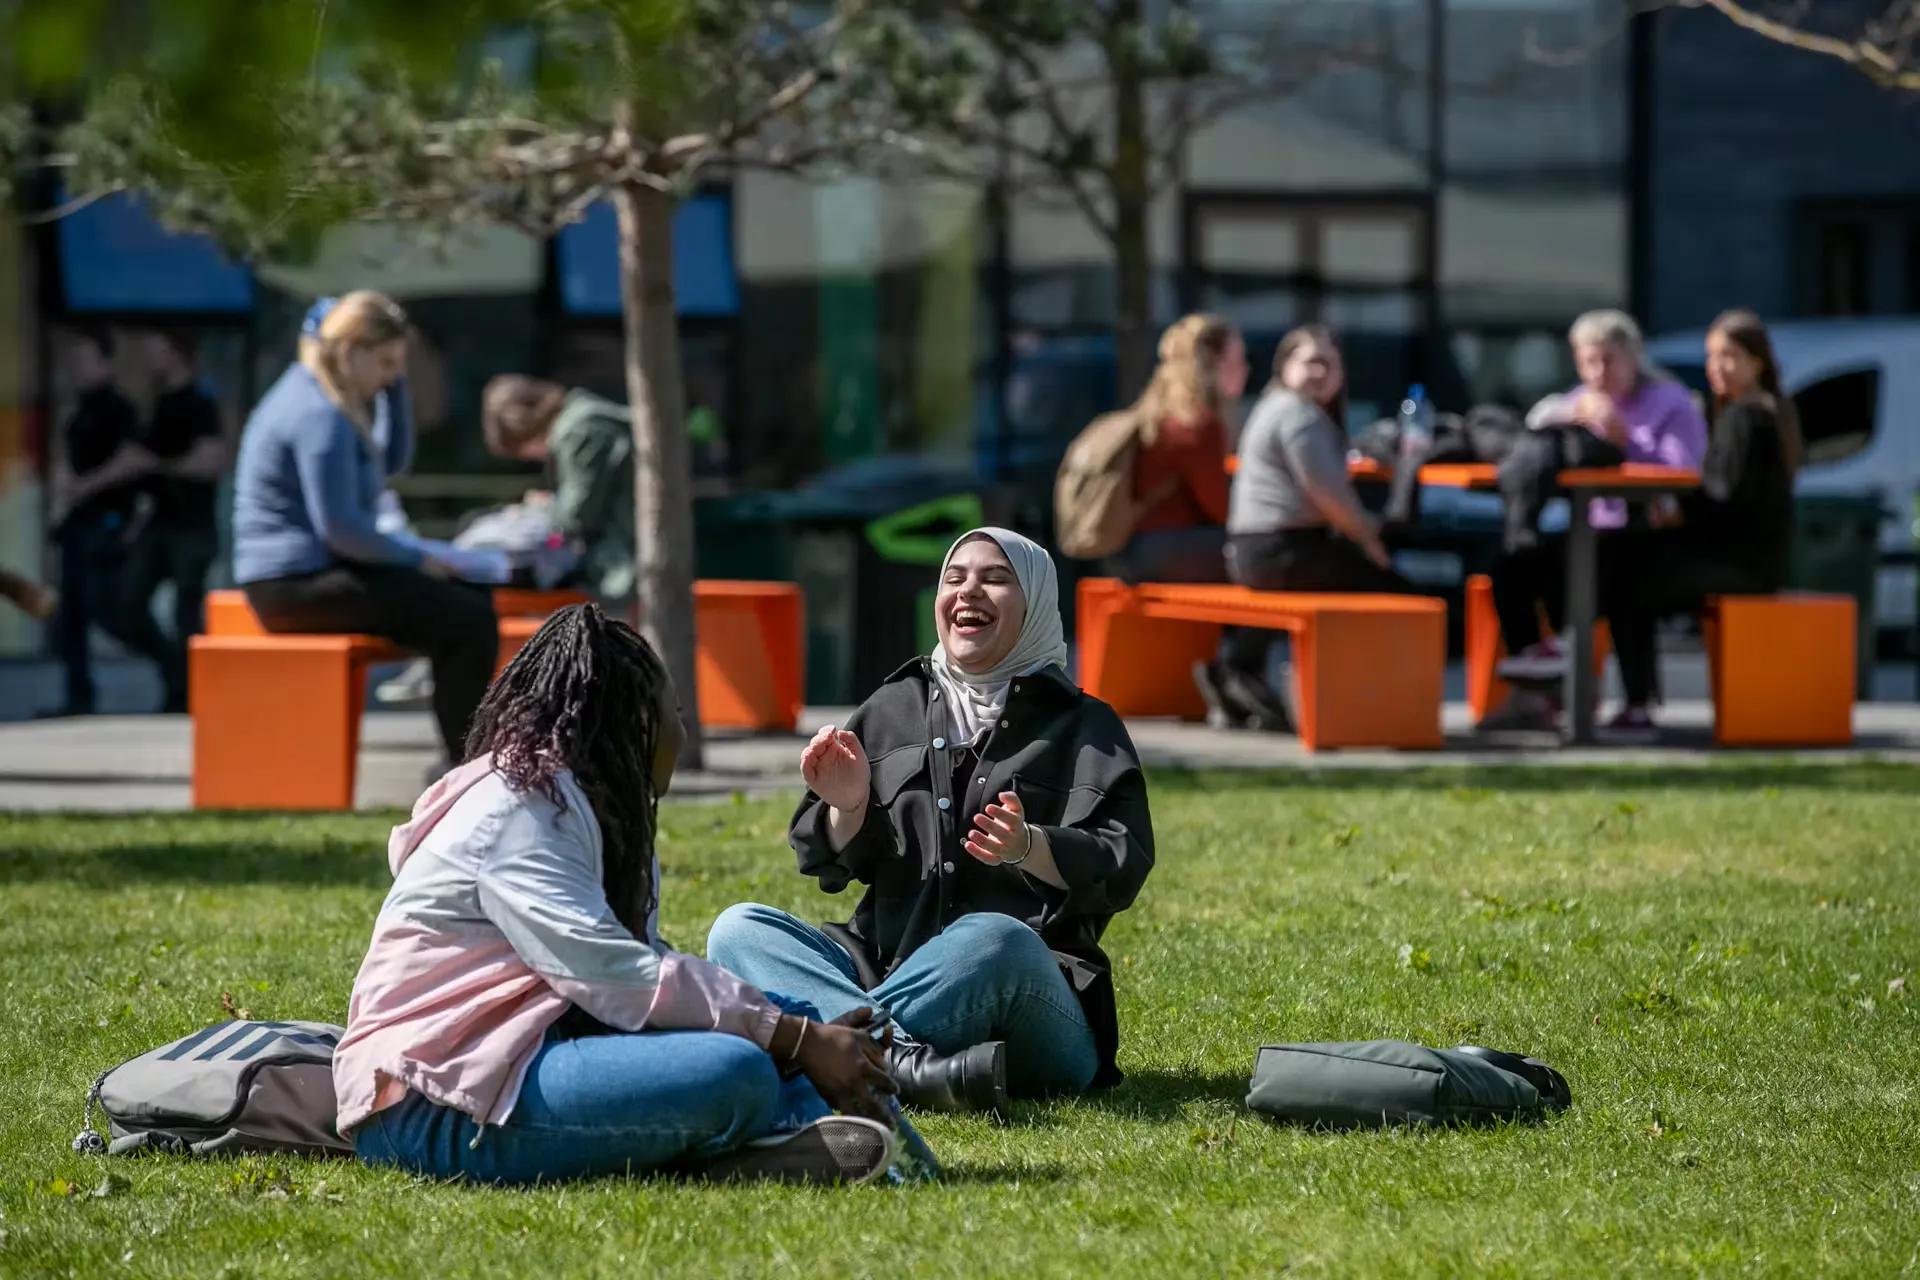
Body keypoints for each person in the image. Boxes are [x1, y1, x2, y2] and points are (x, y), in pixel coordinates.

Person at [335, 604, 922, 1185]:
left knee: (793, 1017)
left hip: (528, 1047)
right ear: (639, 720)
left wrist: (795, 1030)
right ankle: (776, 1141)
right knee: (739, 1067)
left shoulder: (589, 802)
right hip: (436, 1103)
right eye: (676, 713)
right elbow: (617, 976)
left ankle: (881, 1155)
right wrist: (791, 1039)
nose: (681, 733)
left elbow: (633, 974)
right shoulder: (517, 813)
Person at [707, 528, 1154, 1112]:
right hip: (883, 968)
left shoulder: (1085, 725)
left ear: (1037, 604)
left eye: (995, 578)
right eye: (954, 577)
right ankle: (902, 1065)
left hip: (1032, 999)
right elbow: (821, 858)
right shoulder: (893, 707)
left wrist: (1031, 847)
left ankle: (831, 1055)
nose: (969, 591)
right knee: (738, 929)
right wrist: (848, 807)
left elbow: (1122, 864)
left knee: (994, 937)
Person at [230, 290, 499, 765]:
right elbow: (342, 531)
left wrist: (394, 394)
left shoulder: (319, 397)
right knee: (468, 621)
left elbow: (387, 466)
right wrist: (419, 559)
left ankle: (462, 756)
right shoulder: (318, 416)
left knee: (468, 602)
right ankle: (463, 765)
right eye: (386, 363)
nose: (392, 375)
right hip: (292, 587)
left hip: (303, 577)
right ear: (351, 352)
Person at [1482, 309, 1710, 733]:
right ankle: (1541, 674)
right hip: (1590, 532)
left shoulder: (1672, 403)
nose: (1599, 372)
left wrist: (1625, 441)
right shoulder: (1575, 403)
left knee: (1621, 571)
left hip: (1655, 538)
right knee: (1511, 563)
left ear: (1633, 356)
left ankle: (1634, 701)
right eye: (1589, 361)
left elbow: (1683, 475)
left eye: (1609, 359)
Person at [1195, 323, 1412, 731]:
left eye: (1330, 365)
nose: (1320, 372)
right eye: (1311, 361)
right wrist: (1372, 543)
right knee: (1397, 590)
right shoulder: (1299, 415)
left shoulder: (1272, 406)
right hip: (1281, 549)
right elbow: (1330, 497)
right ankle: (1367, 705)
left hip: (1252, 551)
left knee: (1337, 577)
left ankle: (1237, 670)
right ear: (1284, 365)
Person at [1598, 310, 1801, 739]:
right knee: (1627, 559)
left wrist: (1679, 510)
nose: (1717, 367)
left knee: (1625, 577)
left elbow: (1726, 500)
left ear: (1757, 361)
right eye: (1711, 356)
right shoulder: (1767, 412)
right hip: (1754, 559)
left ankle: (1637, 702)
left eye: (1729, 356)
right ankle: (1638, 700)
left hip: (1742, 566)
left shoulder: (1748, 417)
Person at [113, 329, 226, 712]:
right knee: (127, 605)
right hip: (158, 523)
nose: (148, 359)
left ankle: (188, 694)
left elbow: (211, 462)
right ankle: (176, 673)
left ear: (175, 353)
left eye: (154, 350)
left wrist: (160, 465)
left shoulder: (199, 403)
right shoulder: (157, 405)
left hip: (191, 526)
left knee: (186, 615)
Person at [44, 329, 156, 718]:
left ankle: (175, 668)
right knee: (71, 616)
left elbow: (132, 459)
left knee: (112, 612)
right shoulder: (79, 410)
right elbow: (67, 458)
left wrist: (86, 486)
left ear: (106, 363)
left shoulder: (117, 409)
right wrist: (65, 483)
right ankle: (78, 695)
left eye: (85, 359)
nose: (77, 368)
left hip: (105, 523)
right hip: (78, 523)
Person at [1107, 314, 1247, 584]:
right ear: (1214, 363)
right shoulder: (1197, 425)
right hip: (1165, 549)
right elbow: (1222, 510)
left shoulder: (1156, 413)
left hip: (1134, 549)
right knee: (1264, 553)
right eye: (1238, 360)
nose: (1245, 370)